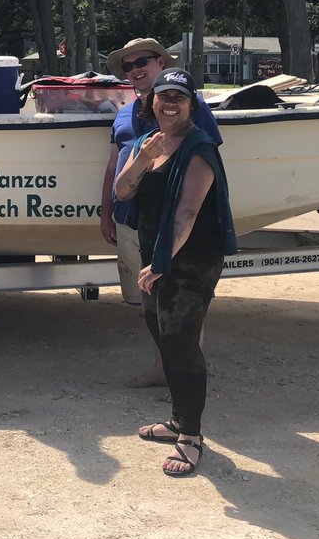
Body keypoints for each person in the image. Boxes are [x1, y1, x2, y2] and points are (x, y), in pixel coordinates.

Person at [114, 69, 237, 477]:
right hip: (157, 258)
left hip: (191, 260)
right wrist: (143, 160)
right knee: (161, 334)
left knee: (182, 342)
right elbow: (123, 190)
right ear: (152, 102)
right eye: (163, 95)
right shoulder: (149, 144)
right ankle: (177, 420)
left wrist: (163, 262)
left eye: (179, 97)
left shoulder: (199, 147)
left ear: (192, 105)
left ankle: (192, 437)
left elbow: (187, 212)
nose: (169, 103)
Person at [99, 37, 223, 388]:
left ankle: (186, 381)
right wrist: (106, 213)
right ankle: (162, 368)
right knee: (151, 302)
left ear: (161, 64)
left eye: (143, 62)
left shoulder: (190, 106)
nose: (136, 69)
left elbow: (207, 158)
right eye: (128, 65)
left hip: (174, 223)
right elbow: (112, 168)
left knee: (184, 303)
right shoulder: (123, 113)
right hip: (131, 220)